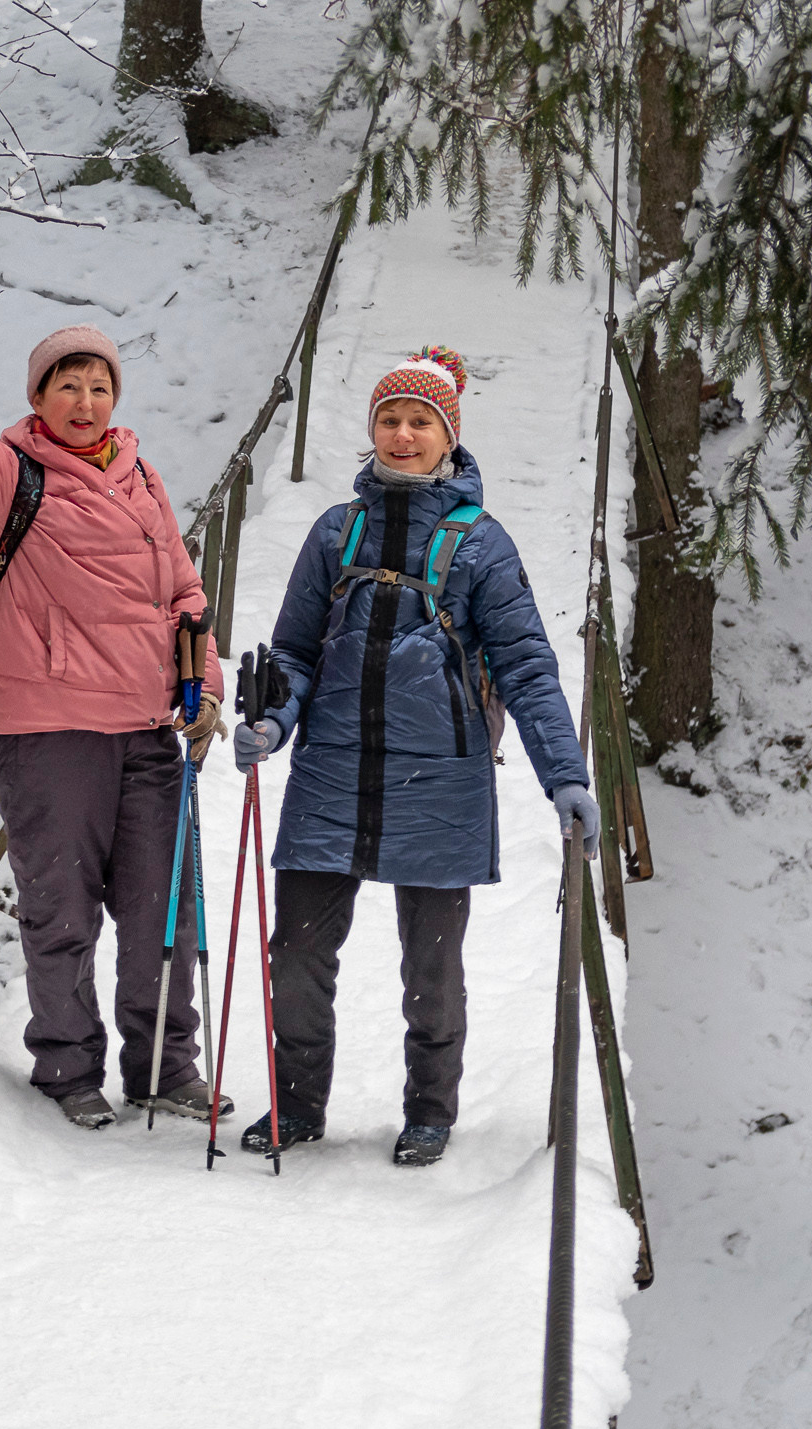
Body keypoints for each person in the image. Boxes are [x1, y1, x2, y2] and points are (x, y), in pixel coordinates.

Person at [0, 233, 228, 1130]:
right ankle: (67, 1071)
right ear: (38, 398)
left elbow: (184, 590)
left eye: (99, 386)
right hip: (47, 725)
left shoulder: (143, 478)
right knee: (62, 911)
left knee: (165, 908)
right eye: (68, 384)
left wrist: (205, 685)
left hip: (151, 725)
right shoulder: (6, 476)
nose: (86, 400)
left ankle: (167, 1068)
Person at [231, 346, 600, 1167]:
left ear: (448, 435)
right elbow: (294, 651)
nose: (403, 435)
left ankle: (429, 1111)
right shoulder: (337, 531)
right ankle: (296, 1106)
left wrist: (564, 777)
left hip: (442, 784)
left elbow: (526, 666)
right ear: (372, 433)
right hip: (331, 773)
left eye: (420, 422)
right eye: (390, 420)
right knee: (294, 955)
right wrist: (273, 723)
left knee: (431, 971)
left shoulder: (482, 546)